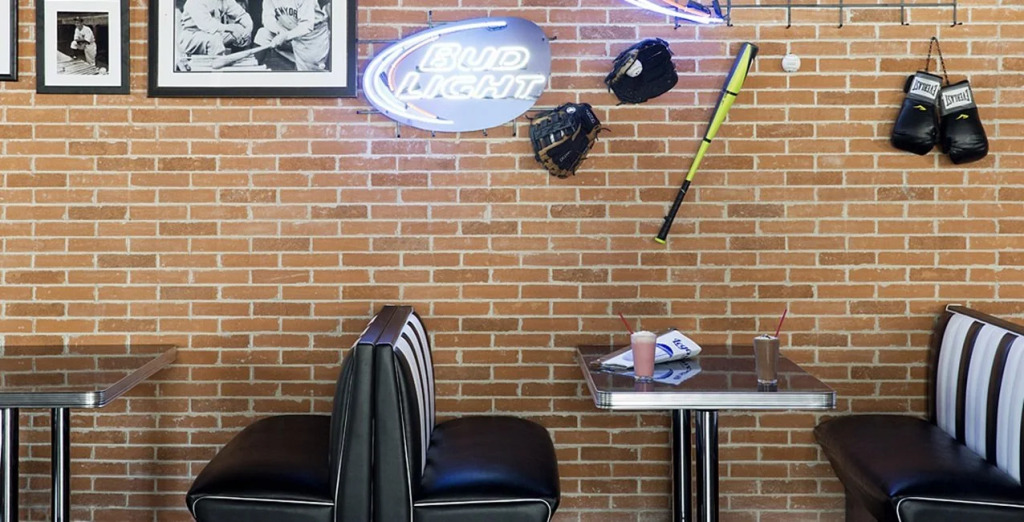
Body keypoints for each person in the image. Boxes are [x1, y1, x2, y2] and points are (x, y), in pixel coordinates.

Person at [254, 0, 330, 71]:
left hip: (311, 36)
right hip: (287, 28)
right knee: (263, 34)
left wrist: (285, 36)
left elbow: (306, 26)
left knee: (308, 73)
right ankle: (253, 66)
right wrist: (279, 31)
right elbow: (267, 19)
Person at [177, 0, 253, 57]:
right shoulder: (194, 1)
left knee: (241, 32)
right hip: (191, 36)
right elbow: (207, 24)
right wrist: (232, 28)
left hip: (215, 33)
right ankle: (217, 70)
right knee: (215, 39)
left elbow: (241, 14)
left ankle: (241, 64)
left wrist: (247, 29)